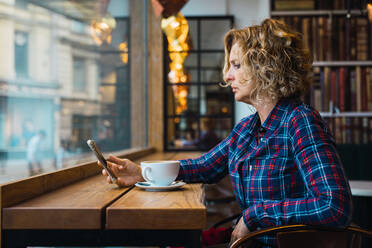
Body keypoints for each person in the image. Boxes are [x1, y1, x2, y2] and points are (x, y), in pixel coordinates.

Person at [99, 18, 352, 247]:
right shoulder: (246, 129)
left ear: (267, 67)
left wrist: (254, 216)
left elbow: (334, 207)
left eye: (236, 65)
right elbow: (202, 167)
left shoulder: (300, 122)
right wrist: (141, 172)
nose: (227, 76)